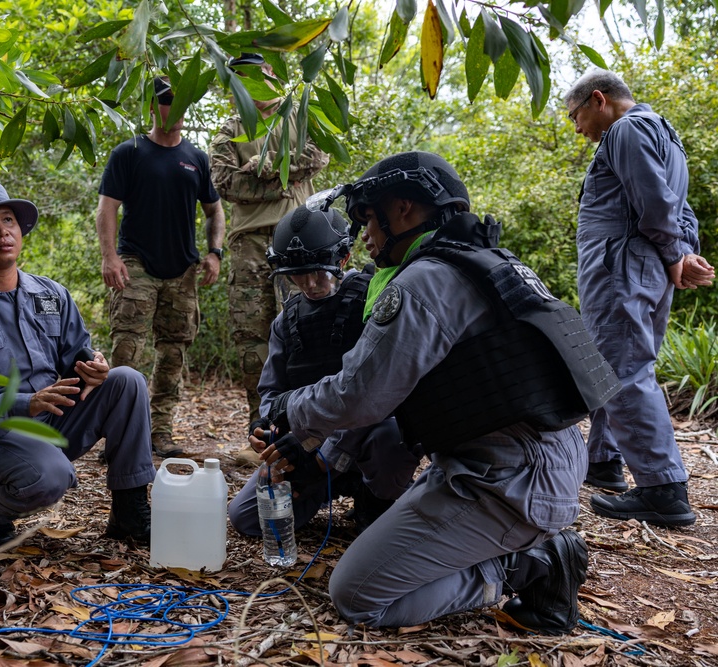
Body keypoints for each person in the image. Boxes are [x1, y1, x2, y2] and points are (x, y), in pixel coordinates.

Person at [264, 151, 620, 634]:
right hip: (524, 461)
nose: (365, 236)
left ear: (405, 209)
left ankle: (530, 565)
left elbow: (360, 396)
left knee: (358, 595)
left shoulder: (423, 281)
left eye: (370, 219)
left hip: (508, 480)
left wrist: (289, 408)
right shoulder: (484, 262)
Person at [0, 182, 154, 547]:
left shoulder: (51, 295)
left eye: (8, 220)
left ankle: (130, 512)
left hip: (47, 422)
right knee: (50, 476)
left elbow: (78, 356)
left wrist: (93, 367)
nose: (2, 231)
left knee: (126, 381)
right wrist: (24, 402)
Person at [565, 70, 715, 527]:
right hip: (642, 266)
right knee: (619, 362)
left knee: (621, 370)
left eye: (575, 116)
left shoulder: (627, 130)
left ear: (598, 100)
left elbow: (654, 201)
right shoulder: (667, 136)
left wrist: (674, 253)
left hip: (621, 264)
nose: (576, 129)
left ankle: (662, 489)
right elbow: (678, 206)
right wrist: (682, 254)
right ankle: (604, 462)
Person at [227, 206, 420, 537]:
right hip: (309, 444)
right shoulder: (286, 321)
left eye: (318, 272)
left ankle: (379, 499)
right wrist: (267, 426)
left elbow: (379, 395)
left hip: (363, 440)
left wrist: (321, 460)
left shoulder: (374, 300)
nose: (310, 284)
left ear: (342, 259)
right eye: (297, 275)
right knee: (247, 518)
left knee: (392, 435)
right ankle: (320, 488)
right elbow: (271, 394)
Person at [209, 53, 330, 464]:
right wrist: (279, 176)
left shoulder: (298, 115)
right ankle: (259, 435)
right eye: (241, 78)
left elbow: (316, 158)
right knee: (252, 339)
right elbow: (225, 182)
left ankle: (306, 432)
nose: (251, 83)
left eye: (258, 75)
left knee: (302, 329)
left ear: (271, 76)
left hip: (297, 238)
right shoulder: (231, 127)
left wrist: (257, 167)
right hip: (248, 244)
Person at [96, 77, 226, 457]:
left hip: (182, 272)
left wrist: (214, 251)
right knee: (126, 354)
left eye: (183, 101)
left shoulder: (197, 158)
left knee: (172, 357)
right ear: (153, 107)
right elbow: (107, 208)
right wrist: (109, 256)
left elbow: (214, 211)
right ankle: (119, 437)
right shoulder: (130, 152)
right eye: (169, 101)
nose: (177, 109)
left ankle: (160, 433)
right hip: (135, 265)